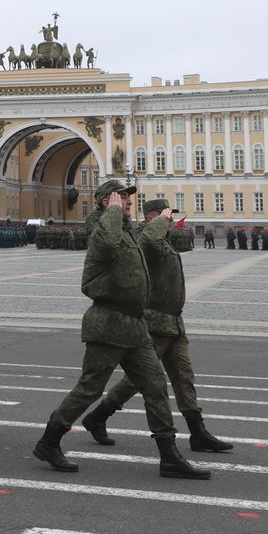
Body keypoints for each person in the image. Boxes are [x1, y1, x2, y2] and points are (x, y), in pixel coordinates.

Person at [32, 182, 209, 480]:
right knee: (90, 388)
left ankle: (169, 455)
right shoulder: (103, 229)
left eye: (127, 197)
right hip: (108, 322)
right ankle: (49, 441)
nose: (128, 201)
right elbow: (107, 243)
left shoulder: (126, 230)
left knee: (155, 385)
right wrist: (112, 210)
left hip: (135, 325)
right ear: (106, 202)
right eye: (122, 197)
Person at [79, 198, 232, 456]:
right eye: (167, 217)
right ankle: (98, 416)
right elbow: (150, 241)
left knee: (184, 377)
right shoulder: (144, 238)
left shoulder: (161, 239)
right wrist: (162, 222)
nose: (171, 222)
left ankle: (198, 432)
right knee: (138, 380)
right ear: (152, 218)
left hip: (174, 322)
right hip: (155, 321)